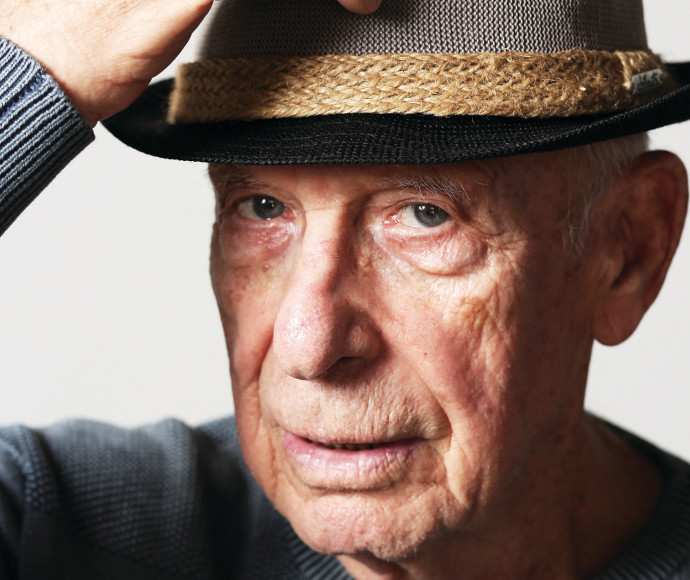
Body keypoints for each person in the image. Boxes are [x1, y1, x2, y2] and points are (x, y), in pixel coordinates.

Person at [1, 0, 690, 579]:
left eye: (425, 215)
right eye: (261, 208)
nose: (308, 345)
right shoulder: (62, 523)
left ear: (630, 248)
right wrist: (36, 68)